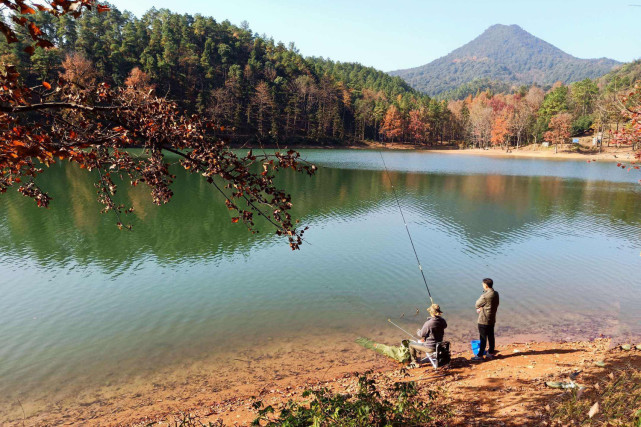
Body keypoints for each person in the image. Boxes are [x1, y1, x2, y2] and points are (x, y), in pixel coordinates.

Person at [471, 278, 499, 361]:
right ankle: (490, 352)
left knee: (483, 338)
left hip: (484, 319)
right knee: (491, 336)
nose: (482, 285)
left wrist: (480, 307)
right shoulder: (496, 293)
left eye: (483, 284)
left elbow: (476, 304)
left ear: (486, 286)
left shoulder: (485, 296)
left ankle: (479, 356)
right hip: (492, 318)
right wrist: (483, 307)